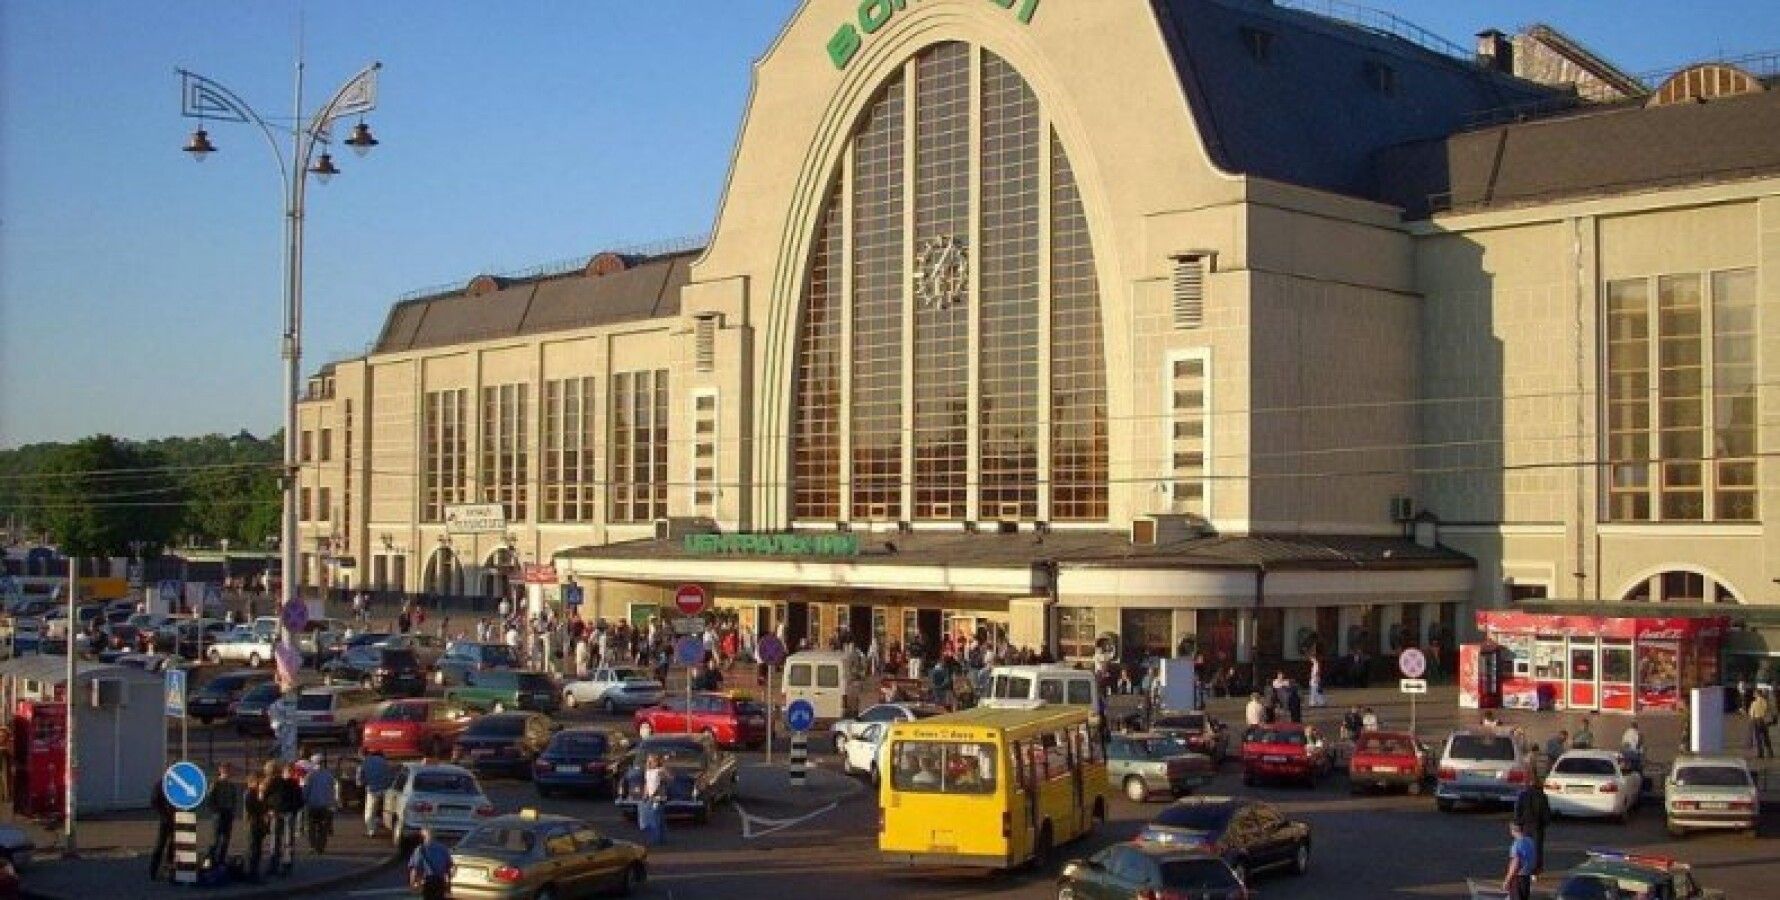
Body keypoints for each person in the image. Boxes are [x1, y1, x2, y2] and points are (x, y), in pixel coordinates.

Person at [267, 762, 304, 876]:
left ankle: (286, 866)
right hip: (277, 813)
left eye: (290, 772)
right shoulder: (277, 782)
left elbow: (300, 801)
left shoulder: (294, 784)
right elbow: (267, 795)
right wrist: (270, 808)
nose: (289, 774)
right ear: (283, 772)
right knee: (275, 839)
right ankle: (274, 865)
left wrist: (293, 810)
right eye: (287, 772)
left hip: (288, 813)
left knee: (288, 841)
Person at [1512, 775, 1552, 877]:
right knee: (1537, 849)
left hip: (1524, 825)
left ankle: (1524, 868)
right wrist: (1545, 823)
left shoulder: (1522, 795)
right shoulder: (1542, 796)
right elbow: (1546, 813)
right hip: (1538, 826)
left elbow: (1517, 810)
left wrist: (1517, 823)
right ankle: (1536, 871)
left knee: (1524, 848)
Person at [303, 753, 339, 850]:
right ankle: (321, 845)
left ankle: (313, 845)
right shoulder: (328, 775)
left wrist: (304, 800)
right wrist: (333, 803)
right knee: (322, 827)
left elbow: (306, 790)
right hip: (325, 804)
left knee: (311, 826)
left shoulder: (310, 776)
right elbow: (332, 790)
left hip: (312, 804)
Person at [207, 762, 241, 864]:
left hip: (228, 813)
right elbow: (209, 799)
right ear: (220, 771)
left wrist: (233, 810)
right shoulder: (215, 783)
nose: (227, 773)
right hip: (218, 813)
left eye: (228, 771)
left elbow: (234, 799)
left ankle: (221, 860)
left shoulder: (231, 785)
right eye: (225, 770)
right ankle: (211, 860)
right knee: (216, 839)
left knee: (226, 839)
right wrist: (215, 810)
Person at [407, 827, 454, 900]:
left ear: (423, 837)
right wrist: (448, 885)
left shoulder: (420, 850)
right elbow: (449, 867)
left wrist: (412, 883)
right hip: (440, 881)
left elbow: (415, 868)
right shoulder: (443, 848)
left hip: (428, 882)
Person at [244, 771, 273, 881]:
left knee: (257, 849)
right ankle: (252, 872)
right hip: (253, 823)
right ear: (252, 782)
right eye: (257, 782)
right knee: (253, 849)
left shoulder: (258, 793)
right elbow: (251, 809)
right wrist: (261, 802)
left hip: (259, 824)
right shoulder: (250, 793)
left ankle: (254, 871)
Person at [360, 749, 393, 838]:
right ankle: (386, 824)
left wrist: (364, 783)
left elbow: (360, 779)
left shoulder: (365, 763)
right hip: (386, 790)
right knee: (386, 809)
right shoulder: (384, 762)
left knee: (370, 812)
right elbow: (390, 775)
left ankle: (371, 831)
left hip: (373, 790)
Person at [149, 777, 176, 881]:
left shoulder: (179, 783)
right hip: (166, 819)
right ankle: (153, 870)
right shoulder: (162, 784)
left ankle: (169, 869)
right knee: (161, 845)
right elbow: (155, 801)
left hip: (179, 818)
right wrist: (164, 814)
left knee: (174, 845)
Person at [1502, 821, 1536, 900]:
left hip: (1518, 878)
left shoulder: (1516, 845)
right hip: (1527, 877)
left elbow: (1515, 864)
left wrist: (1507, 880)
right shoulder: (1530, 841)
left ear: (1513, 831)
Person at [640, 754, 668, 846]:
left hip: (659, 798)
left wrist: (655, 794)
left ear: (656, 762)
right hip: (650, 797)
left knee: (656, 817)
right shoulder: (648, 771)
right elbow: (647, 784)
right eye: (648, 761)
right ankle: (660, 838)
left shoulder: (660, 770)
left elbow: (663, 782)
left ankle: (657, 839)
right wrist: (645, 795)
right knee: (656, 818)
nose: (649, 763)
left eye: (651, 761)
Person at [1751, 688, 1775, 758]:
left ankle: (1760, 753)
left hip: (1757, 720)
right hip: (1764, 720)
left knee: (1758, 738)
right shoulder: (1765, 701)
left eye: (1754, 693)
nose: (1753, 694)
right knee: (1766, 737)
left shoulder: (1754, 703)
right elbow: (1767, 710)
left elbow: (1752, 714)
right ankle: (1770, 752)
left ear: (1757, 694)